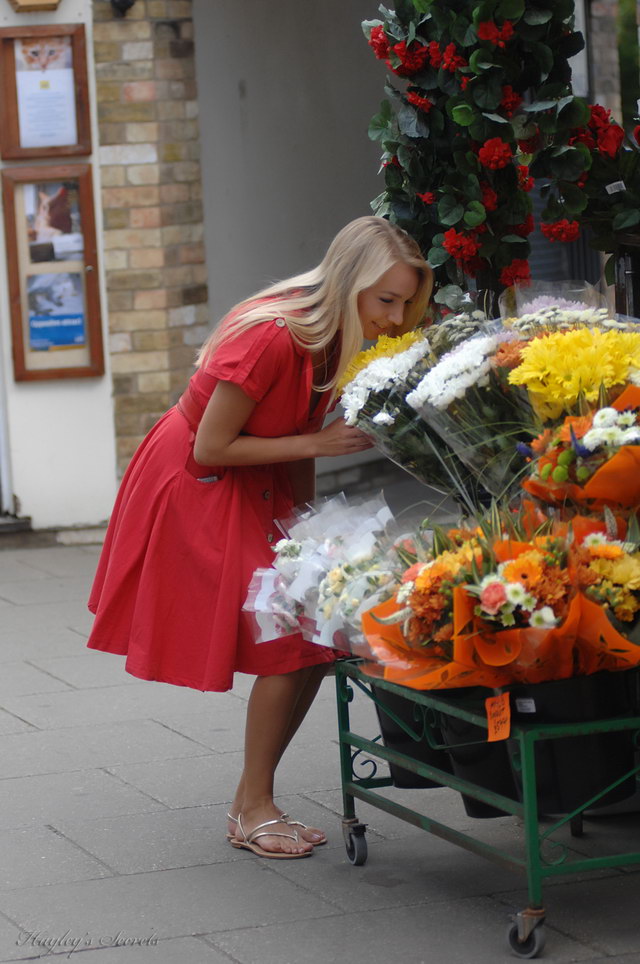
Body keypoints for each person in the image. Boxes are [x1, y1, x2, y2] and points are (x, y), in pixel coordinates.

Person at [87, 215, 433, 859]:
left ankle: (253, 802)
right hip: (199, 481)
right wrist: (321, 445)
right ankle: (253, 807)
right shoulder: (272, 335)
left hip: (260, 478)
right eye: (386, 299)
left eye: (407, 301)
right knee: (291, 640)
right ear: (349, 282)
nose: (396, 316)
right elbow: (211, 444)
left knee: (315, 627)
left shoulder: (341, 335)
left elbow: (296, 433)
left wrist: (301, 536)